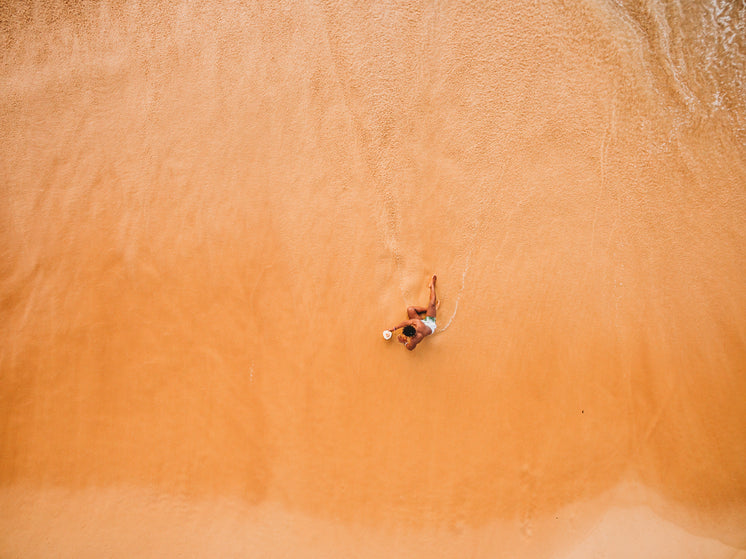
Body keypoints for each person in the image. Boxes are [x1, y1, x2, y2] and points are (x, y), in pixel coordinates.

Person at [387, 275, 438, 351]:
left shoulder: (417, 330)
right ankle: (431, 309)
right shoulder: (417, 329)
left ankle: (432, 286)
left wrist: (404, 341)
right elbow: (406, 323)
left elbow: (410, 347)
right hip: (429, 324)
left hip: (429, 324)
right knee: (429, 306)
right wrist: (395, 330)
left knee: (428, 305)